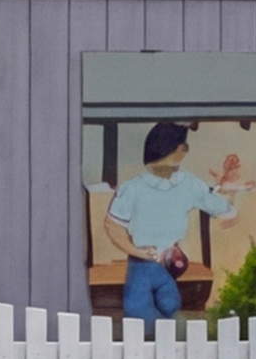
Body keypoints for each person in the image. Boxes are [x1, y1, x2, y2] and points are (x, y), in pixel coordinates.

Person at [102, 120, 241, 324]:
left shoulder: (189, 183)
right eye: (181, 145)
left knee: (170, 305)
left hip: (172, 263)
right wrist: (138, 251)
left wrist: (226, 185)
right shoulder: (133, 188)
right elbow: (112, 225)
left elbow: (223, 209)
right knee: (138, 312)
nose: (184, 150)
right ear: (175, 150)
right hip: (141, 263)